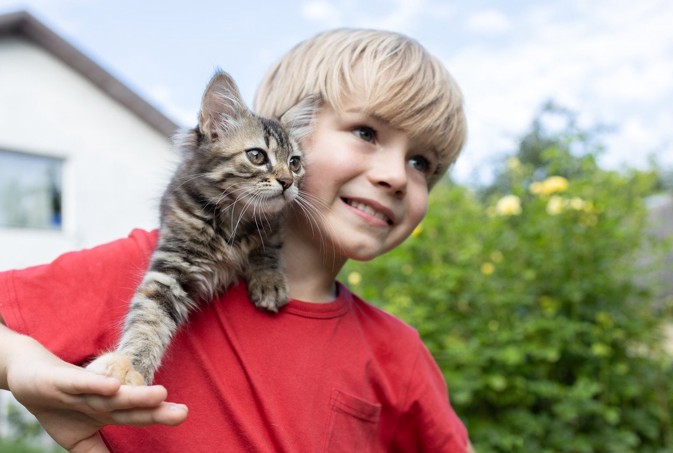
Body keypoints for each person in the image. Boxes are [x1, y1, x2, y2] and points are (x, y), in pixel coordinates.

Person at [0, 28, 470, 452]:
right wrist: (20, 362)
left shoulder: (399, 353)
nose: (394, 175)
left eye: (422, 163)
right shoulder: (140, 266)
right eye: (366, 132)